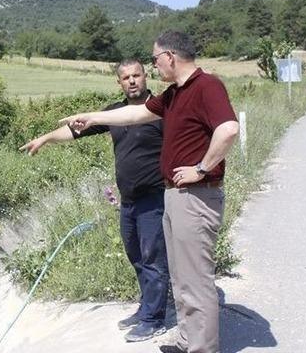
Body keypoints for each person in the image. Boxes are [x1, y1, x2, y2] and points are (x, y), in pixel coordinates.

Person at [62, 31, 239, 353]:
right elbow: (134, 114)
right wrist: (92, 118)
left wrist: (201, 168)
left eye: (155, 59)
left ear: (170, 56)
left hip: (196, 196)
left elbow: (228, 129)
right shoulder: (175, 93)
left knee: (195, 281)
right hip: (177, 195)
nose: (154, 66)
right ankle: (188, 341)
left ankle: (201, 348)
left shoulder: (206, 86)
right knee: (183, 278)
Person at [20, 58, 170, 343]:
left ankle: (154, 319)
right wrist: (46, 138)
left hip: (155, 197)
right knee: (136, 257)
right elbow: (77, 130)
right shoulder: (114, 112)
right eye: (126, 77)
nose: (132, 81)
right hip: (128, 200)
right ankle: (146, 307)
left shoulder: (158, 110)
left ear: (146, 75)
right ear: (119, 82)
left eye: (137, 75)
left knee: (153, 259)